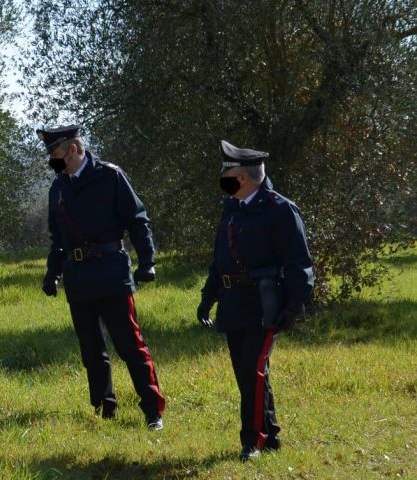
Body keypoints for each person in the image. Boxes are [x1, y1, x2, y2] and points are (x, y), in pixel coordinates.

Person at [38, 124, 166, 430]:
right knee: (91, 350)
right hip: (78, 277)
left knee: (129, 345)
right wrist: (51, 273)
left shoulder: (110, 176)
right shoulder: (59, 188)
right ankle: (104, 408)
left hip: (111, 273)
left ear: (72, 149)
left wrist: (147, 262)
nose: (51, 161)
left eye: (54, 154)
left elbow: (138, 220)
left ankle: (152, 410)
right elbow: (58, 239)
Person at [197, 140, 314, 461]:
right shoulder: (232, 209)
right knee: (246, 373)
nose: (223, 179)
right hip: (233, 304)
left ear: (244, 177)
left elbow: (299, 264)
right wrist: (208, 297)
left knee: (253, 372)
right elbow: (219, 259)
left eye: (227, 173)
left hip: (265, 305)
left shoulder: (279, 209)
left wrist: (292, 308)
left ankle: (254, 441)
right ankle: (271, 435)